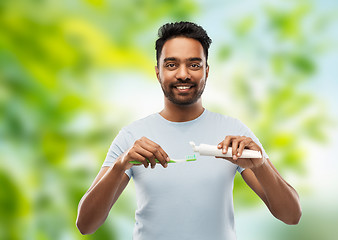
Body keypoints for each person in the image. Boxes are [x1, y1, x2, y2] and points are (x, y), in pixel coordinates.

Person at [76, 21, 301, 239]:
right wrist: (120, 165)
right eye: (171, 64)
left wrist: (260, 165)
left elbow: (292, 215)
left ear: (207, 71)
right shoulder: (131, 136)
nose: (183, 74)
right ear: (158, 72)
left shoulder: (234, 133)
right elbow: (86, 225)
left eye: (194, 65)